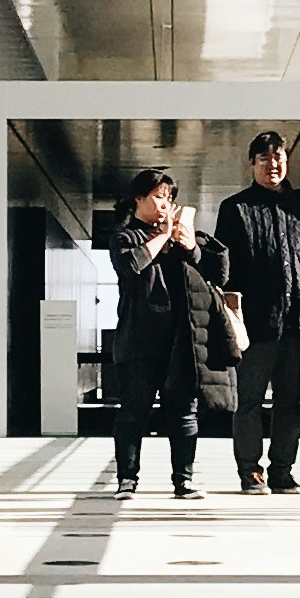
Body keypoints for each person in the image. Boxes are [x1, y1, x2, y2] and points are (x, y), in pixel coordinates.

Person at [209, 127, 300, 497]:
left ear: (287, 161)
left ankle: (282, 470)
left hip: (299, 324)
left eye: (278, 157)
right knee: (248, 401)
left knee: (291, 402)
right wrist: (228, 317)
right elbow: (223, 269)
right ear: (251, 164)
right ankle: (250, 471)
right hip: (253, 325)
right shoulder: (235, 209)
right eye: (264, 158)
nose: (272, 164)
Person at [107, 166, 233, 500]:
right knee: (133, 412)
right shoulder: (125, 237)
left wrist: (191, 246)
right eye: (158, 197)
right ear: (139, 198)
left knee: (183, 413)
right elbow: (130, 265)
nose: (165, 204)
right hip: (139, 340)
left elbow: (220, 273)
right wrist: (162, 236)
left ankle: (184, 480)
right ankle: (127, 479)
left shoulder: (185, 238)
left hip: (183, 341)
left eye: (169, 198)